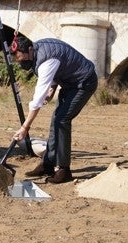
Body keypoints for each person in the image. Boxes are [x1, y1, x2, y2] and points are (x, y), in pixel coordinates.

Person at [11, 37, 98, 184]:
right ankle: (48, 164)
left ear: (30, 50)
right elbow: (61, 65)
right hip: (70, 83)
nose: (19, 61)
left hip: (84, 83)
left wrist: (25, 127)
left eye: (20, 57)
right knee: (56, 118)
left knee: (62, 120)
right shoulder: (41, 51)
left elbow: (37, 100)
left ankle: (64, 170)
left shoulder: (46, 61)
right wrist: (52, 88)